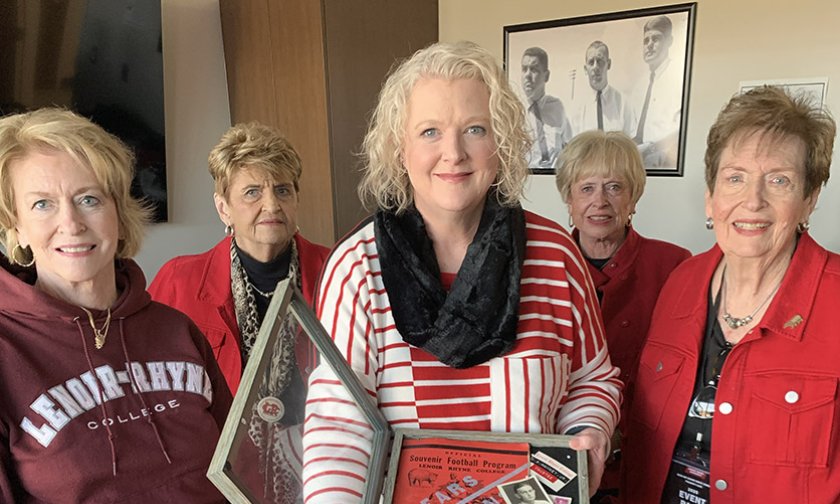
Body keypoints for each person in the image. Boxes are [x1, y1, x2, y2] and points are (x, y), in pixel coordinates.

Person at [302, 41, 621, 502]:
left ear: (502, 143)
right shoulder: (357, 268)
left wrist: (588, 431)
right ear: (399, 148)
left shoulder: (556, 257)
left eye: (475, 129)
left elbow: (591, 381)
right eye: (429, 131)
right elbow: (337, 429)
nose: (453, 153)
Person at [0, 108, 232, 502]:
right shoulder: (8, 352)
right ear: (16, 226)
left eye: (88, 199)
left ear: (120, 216)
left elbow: (239, 470)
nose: (71, 223)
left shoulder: (177, 330)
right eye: (42, 204)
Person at [622, 86, 840, 502]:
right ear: (711, 198)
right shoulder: (681, 283)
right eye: (735, 178)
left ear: (809, 201)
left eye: (778, 180)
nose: (752, 201)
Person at [149, 122, 329, 503]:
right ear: (223, 208)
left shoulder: (337, 271)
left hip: (320, 472)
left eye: (283, 190)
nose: (272, 205)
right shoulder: (178, 282)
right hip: (217, 478)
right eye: (252, 192)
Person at [555, 130, 690, 502]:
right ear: (568, 198)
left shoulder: (674, 265)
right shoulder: (543, 265)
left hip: (645, 453)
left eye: (614, 187)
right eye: (586, 188)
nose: (600, 201)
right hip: (564, 449)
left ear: (634, 198)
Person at [631, 15, 683, 168]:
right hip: (637, 163)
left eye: (656, 39)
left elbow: (681, 130)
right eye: (646, 41)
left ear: (669, 41)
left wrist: (652, 148)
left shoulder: (678, 80)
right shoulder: (639, 86)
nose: (649, 45)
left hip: (666, 162)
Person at [521, 46, 574, 169]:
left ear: (546, 76)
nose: (527, 75)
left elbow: (570, 149)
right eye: (524, 69)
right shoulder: (514, 112)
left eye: (534, 70)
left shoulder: (557, 107)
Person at [572, 41, 634, 136]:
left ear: (608, 64)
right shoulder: (577, 107)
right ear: (585, 68)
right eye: (591, 62)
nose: (595, 67)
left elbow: (631, 139)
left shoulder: (623, 103)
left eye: (600, 61)